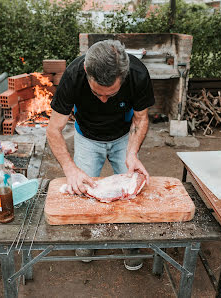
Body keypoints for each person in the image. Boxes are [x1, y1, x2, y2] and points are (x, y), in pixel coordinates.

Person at [46, 39, 155, 270]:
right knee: (81, 189)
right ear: (87, 71)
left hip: (124, 137)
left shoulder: (138, 74)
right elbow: (53, 129)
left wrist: (133, 154)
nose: (104, 99)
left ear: (123, 77)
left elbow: (141, 118)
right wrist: (69, 168)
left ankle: (130, 242)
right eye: (98, 93)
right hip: (87, 137)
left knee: (131, 193)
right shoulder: (73, 75)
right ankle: (87, 237)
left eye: (111, 94)